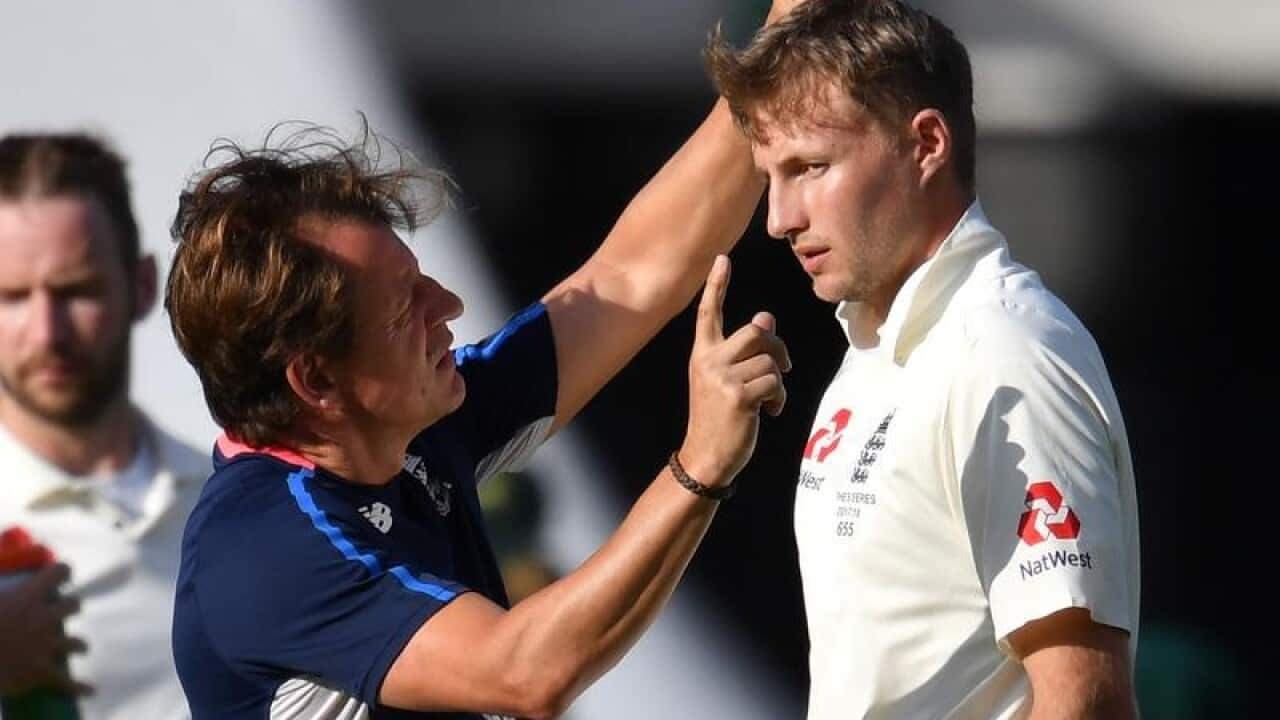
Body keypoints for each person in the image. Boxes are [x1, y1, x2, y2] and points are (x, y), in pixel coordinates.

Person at [164, 4, 803, 718]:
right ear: (316, 381)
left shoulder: (404, 426)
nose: (450, 307)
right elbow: (525, 675)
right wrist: (701, 466)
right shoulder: (264, 545)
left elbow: (633, 274)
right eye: (407, 307)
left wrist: (787, 35)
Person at [705, 1, 1140, 717]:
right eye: (769, 177)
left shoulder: (1005, 352)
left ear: (928, 143)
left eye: (810, 166)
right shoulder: (875, 350)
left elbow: (1084, 700)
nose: (779, 219)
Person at [0, 133, 207, 719]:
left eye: (76, 292)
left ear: (143, 286)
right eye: (13, 297)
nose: (47, 333)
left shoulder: (237, 501)